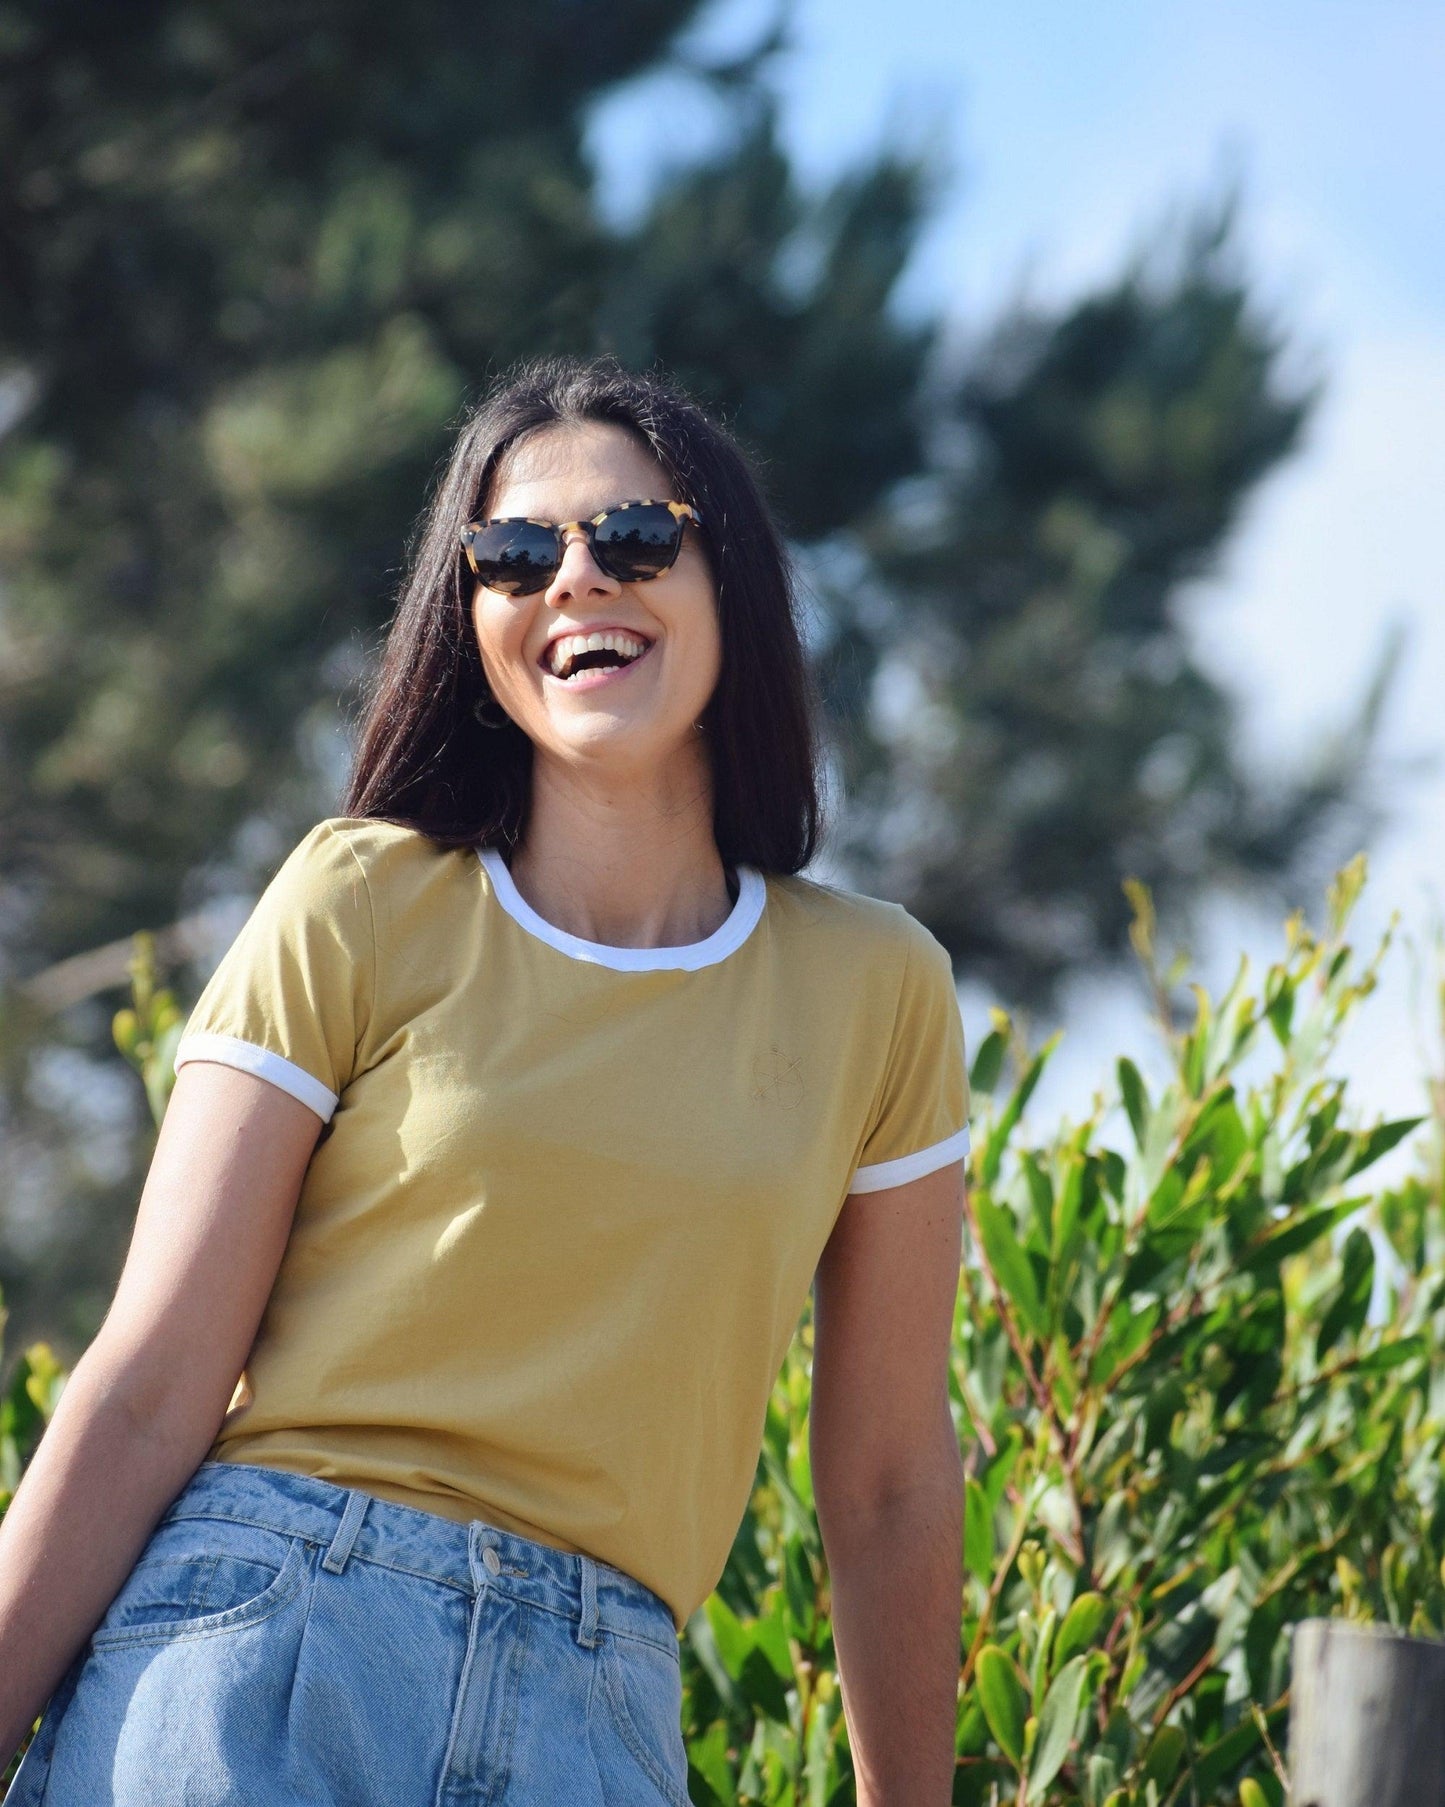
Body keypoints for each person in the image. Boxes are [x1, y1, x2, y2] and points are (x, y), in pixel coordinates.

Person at [0, 354, 971, 1806]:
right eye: (514, 554)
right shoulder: (362, 898)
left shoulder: (875, 989)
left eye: (635, 536)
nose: (576, 579)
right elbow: (145, 1389)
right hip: (265, 1649)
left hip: (597, 1713)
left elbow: (890, 1486)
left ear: (735, 584)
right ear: (473, 618)